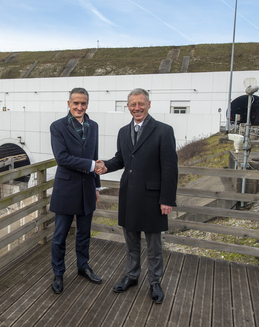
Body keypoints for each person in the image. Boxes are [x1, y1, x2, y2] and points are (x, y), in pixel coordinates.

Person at [96, 88, 178, 303]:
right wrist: (105, 166)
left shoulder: (163, 130)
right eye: (133, 104)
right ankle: (132, 276)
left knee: (154, 245)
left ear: (149, 105)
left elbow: (170, 168)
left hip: (153, 197)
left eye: (141, 103)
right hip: (129, 195)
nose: (137, 108)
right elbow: (121, 159)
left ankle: (154, 281)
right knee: (131, 242)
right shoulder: (123, 131)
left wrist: (167, 199)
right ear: (128, 107)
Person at [49, 87, 104, 294]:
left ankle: (83, 266)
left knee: (84, 234)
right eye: (76, 103)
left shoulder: (94, 126)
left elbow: (95, 155)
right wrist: (91, 165)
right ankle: (58, 273)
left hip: (87, 188)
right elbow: (61, 158)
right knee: (60, 235)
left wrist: (96, 185)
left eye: (83, 103)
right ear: (69, 104)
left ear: (87, 104)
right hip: (66, 189)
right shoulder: (57, 127)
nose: (79, 107)